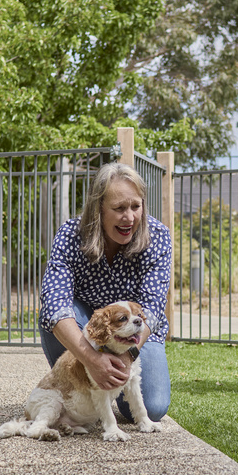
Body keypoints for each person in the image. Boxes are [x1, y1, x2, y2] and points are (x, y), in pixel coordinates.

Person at [39, 162, 172, 421]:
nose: (130, 217)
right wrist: (90, 358)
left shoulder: (158, 237)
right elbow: (54, 304)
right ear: (98, 208)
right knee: (60, 317)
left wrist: (128, 354)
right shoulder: (70, 234)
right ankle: (78, 393)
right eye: (119, 208)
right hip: (85, 321)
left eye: (136, 206)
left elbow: (152, 308)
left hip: (135, 330)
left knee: (154, 407)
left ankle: (106, 388)